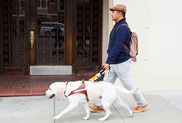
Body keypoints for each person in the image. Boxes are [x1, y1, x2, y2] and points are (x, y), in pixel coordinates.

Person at [89, 4, 148, 113]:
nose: (111, 14)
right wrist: (110, 61)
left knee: (128, 84)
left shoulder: (122, 27)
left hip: (121, 62)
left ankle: (142, 104)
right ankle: (100, 105)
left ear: (120, 14)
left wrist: (108, 62)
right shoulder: (118, 25)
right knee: (106, 84)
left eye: (113, 12)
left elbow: (117, 47)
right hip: (115, 62)